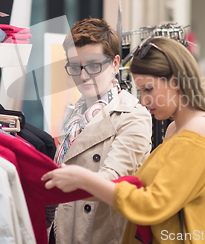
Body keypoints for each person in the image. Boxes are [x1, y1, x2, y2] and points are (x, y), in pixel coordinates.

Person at [43, 37, 205, 244]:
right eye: (141, 90)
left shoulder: (200, 129)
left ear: (176, 81)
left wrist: (85, 180)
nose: (144, 100)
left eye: (148, 89)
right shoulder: (174, 128)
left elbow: (153, 204)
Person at [50, 18, 152, 244]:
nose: (83, 76)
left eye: (94, 66)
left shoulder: (133, 116)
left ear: (115, 64)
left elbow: (112, 182)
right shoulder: (73, 114)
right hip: (62, 230)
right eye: (75, 67)